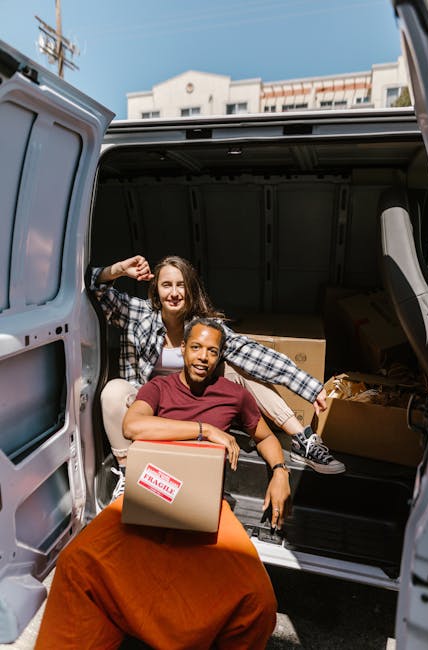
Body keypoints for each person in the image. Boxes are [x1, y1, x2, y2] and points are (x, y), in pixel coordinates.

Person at [35, 319, 288, 650]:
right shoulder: (159, 388)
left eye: (212, 351)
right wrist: (204, 430)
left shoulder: (234, 395)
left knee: (259, 600)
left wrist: (280, 471)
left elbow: (266, 436)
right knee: (77, 564)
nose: (202, 357)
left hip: (206, 501)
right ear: (182, 349)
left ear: (220, 357)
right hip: (151, 491)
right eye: (196, 347)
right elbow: (133, 425)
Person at [89, 254, 345, 499]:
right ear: (156, 290)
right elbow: (92, 287)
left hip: (195, 403)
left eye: (181, 285)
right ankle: (127, 471)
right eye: (166, 285)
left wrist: (308, 386)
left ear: (190, 290)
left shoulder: (204, 328)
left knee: (243, 367)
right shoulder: (138, 314)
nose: (174, 293)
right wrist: (119, 270)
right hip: (150, 405)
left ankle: (302, 440)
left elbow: (253, 353)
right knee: (112, 391)